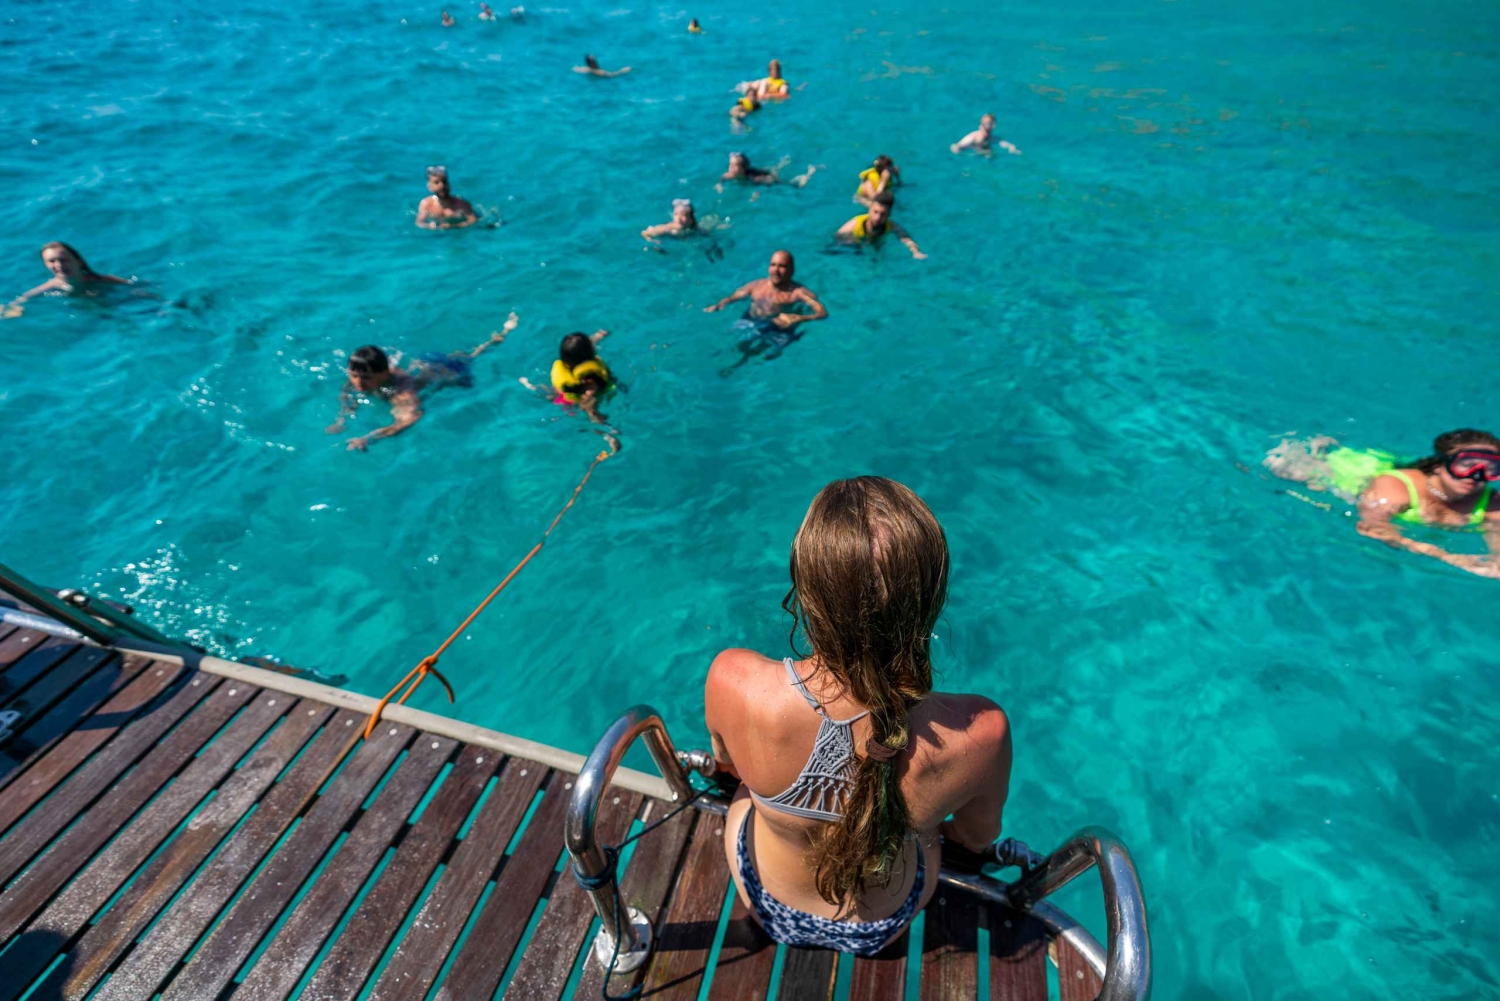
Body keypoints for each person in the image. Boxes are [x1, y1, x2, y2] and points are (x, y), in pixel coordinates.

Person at [705, 476, 1012, 953]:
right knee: (919, 832)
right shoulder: (981, 732)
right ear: (931, 599)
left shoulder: (733, 681)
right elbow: (974, 837)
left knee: (746, 787)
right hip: (880, 925)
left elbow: (724, 766)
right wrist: (903, 815)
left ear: (805, 592)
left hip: (767, 901)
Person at [1265, 431, 1500, 578]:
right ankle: (1321, 447)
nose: (1475, 475)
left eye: (1490, 468)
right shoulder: (1394, 490)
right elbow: (1372, 529)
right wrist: (1449, 557)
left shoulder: (1490, 502)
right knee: (1282, 469)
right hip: (1345, 474)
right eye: (1466, 464)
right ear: (1440, 464)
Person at [327, 313, 517, 451]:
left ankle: (501, 334)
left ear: (384, 374)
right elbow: (347, 389)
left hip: (450, 372)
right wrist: (342, 418)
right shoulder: (361, 377)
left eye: (365, 378)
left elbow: (408, 420)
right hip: (425, 364)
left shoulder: (403, 393)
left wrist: (368, 438)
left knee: (472, 356)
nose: (358, 382)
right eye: (354, 375)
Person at [706, 250, 828, 371]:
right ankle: (718, 362)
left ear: (791, 270)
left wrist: (801, 318)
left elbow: (822, 313)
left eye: (782, 266)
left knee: (762, 355)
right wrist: (720, 305)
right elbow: (733, 297)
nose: (776, 270)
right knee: (731, 342)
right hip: (751, 320)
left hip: (779, 329)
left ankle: (736, 367)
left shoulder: (799, 293)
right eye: (773, 265)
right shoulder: (756, 285)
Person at [4, 242, 132, 318]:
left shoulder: (102, 279)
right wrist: (11, 308)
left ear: (78, 261)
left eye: (63, 260)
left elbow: (133, 287)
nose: (59, 265)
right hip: (86, 313)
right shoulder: (50, 287)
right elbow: (23, 299)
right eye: (52, 261)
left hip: (115, 305)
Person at [520, 330, 614, 426]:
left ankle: (530, 386)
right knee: (592, 412)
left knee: (548, 393)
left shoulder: (565, 369)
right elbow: (587, 405)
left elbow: (582, 348)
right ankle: (609, 436)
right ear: (591, 352)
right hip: (573, 405)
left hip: (560, 398)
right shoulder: (590, 379)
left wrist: (598, 336)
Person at [836, 192, 926, 259]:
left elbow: (906, 239)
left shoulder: (891, 225)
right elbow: (838, 237)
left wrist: (915, 252)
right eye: (875, 212)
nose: (877, 218)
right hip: (854, 244)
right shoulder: (854, 224)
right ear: (869, 210)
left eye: (882, 214)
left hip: (876, 239)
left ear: (889, 214)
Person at [718, 152, 817, 189]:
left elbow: (765, 186)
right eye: (730, 164)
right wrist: (719, 185)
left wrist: (756, 194)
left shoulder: (754, 179)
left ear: (743, 168)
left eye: (736, 165)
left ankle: (808, 174)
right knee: (773, 170)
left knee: (786, 183)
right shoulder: (728, 175)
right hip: (756, 173)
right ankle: (780, 164)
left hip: (763, 176)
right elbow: (722, 178)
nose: (731, 167)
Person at [950, 114, 1020, 156]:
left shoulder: (989, 137)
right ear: (982, 125)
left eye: (993, 124)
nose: (992, 126)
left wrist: (1011, 147)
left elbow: (1002, 143)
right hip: (973, 154)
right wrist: (963, 155)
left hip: (983, 152)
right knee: (989, 153)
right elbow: (955, 146)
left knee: (990, 154)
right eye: (989, 124)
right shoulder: (973, 137)